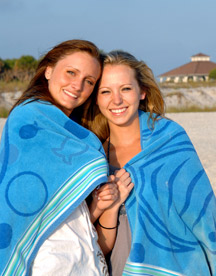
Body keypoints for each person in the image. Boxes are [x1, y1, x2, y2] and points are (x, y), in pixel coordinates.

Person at [0, 40, 131, 276]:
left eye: (89, 81)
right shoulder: (30, 117)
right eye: (71, 72)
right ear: (48, 70)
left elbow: (63, 217)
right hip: (45, 264)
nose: (77, 85)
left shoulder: (77, 131)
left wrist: (99, 207)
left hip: (80, 260)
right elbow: (27, 212)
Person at [82, 50, 216, 276]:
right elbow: (89, 241)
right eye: (105, 91)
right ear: (96, 98)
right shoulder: (92, 157)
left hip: (179, 267)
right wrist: (110, 207)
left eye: (125, 88)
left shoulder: (170, 140)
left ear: (142, 91)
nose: (117, 100)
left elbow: (203, 212)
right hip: (117, 267)